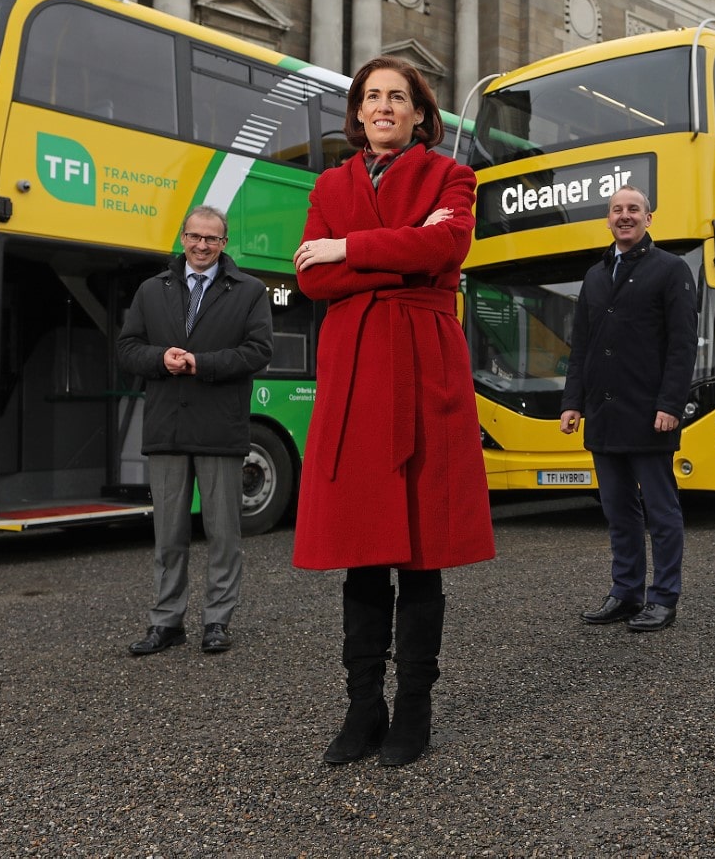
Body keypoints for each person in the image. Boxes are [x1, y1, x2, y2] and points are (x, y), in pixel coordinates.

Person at [292, 55, 495, 767]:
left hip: (420, 369)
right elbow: (310, 279)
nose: (382, 106)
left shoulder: (450, 176)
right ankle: (362, 707)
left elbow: (448, 245)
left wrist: (348, 246)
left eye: (396, 97)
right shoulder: (330, 182)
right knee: (362, 557)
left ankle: (414, 709)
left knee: (420, 556)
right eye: (371, 96)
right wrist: (402, 252)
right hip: (355, 376)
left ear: (419, 114)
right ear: (358, 111)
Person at [118, 205, 273, 657]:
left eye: (212, 239)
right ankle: (167, 623)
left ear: (224, 244)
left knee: (223, 533)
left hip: (220, 429)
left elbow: (259, 352)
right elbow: (128, 349)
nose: (202, 245)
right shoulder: (151, 290)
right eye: (195, 237)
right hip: (167, 428)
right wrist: (159, 360)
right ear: (182, 238)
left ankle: (217, 622)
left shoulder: (250, 291)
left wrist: (200, 363)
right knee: (168, 535)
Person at [560, 185, 698, 633]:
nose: (625, 216)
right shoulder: (595, 275)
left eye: (633, 209)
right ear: (608, 219)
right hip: (603, 414)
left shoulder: (671, 270)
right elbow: (580, 347)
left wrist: (670, 405)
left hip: (650, 414)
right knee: (618, 511)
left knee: (661, 511)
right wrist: (572, 403)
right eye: (617, 210)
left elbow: (681, 347)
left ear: (649, 218)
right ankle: (625, 593)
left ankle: (663, 598)